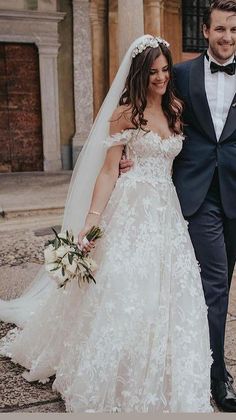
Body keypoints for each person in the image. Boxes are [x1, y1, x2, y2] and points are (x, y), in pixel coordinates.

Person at [0, 35, 212, 413]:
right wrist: (92, 223)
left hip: (167, 211)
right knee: (123, 288)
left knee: (167, 292)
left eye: (165, 70)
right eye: (153, 72)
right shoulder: (125, 113)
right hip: (132, 208)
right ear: (139, 74)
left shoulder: (176, 108)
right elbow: (107, 172)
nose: (161, 78)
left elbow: (179, 161)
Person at [120, 0, 236, 413]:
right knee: (216, 282)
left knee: (217, 288)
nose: (227, 37)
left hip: (234, 194)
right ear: (205, 31)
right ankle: (216, 376)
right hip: (197, 193)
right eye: (220, 29)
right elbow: (141, 104)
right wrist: (122, 152)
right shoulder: (181, 74)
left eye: (234, 30)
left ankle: (200, 360)